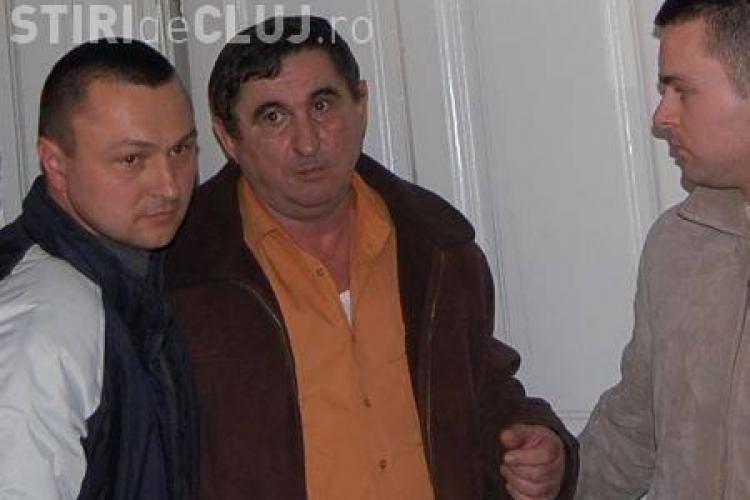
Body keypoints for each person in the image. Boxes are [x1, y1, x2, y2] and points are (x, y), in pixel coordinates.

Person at [166, 16, 578, 500]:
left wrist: (540, 447)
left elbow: (482, 391)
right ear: (228, 137)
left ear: (360, 103)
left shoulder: (439, 250)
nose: (307, 142)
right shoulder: (182, 276)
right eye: (274, 117)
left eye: (322, 105)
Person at [0, 39, 199, 499]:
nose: (169, 186)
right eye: (132, 159)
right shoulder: (47, 316)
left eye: (181, 150)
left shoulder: (132, 278)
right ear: (55, 163)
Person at [578, 1, 750, 498]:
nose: (661, 116)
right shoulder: (677, 244)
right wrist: (558, 476)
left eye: (682, 90)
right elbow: (634, 429)